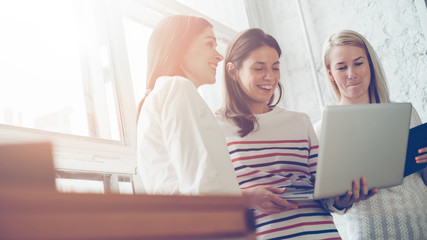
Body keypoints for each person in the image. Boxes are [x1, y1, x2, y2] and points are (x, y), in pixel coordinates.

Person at [215, 28, 374, 240]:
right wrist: (246, 198)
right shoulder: (214, 128)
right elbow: (201, 202)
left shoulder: (300, 122)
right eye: (259, 68)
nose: (270, 77)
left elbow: (325, 194)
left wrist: (343, 199)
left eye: (275, 67)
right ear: (233, 71)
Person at [318, 29, 427, 239]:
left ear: (370, 64)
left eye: (359, 63)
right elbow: (329, 203)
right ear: (330, 73)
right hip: (370, 233)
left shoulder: (407, 114)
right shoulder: (322, 129)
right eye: (342, 67)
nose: (352, 74)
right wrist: (345, 199)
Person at [136, 15, 240, 196]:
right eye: (209, 44)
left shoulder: (160, 93)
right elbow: (200, 183)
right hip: (213, 221)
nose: (220, 56)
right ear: (179, 48)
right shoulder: (177, 87)